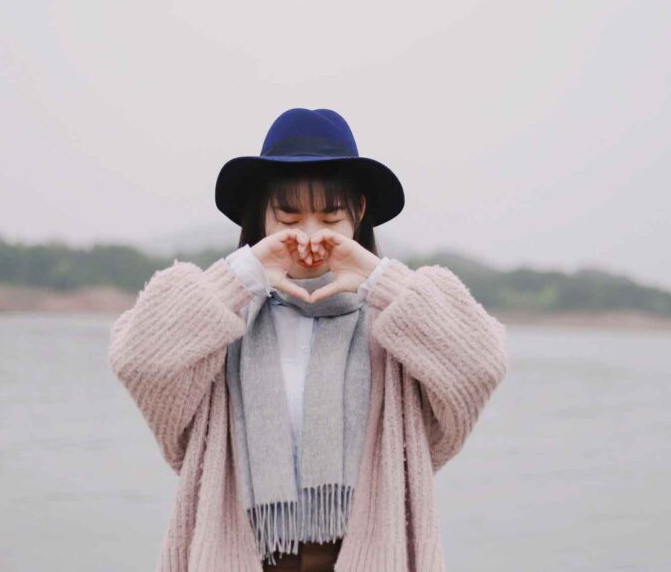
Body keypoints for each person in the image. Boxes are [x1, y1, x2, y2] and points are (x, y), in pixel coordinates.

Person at [108, 108, 510, 571]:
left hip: (366, 554)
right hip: (243, 554)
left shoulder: (394, 325)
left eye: (330, 217)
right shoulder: (224, 318)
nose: (310, 236)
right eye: (289, 217)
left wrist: (380, 279)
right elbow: (137, 358)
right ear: (262, 217)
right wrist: (242, 275)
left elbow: (482, 361)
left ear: (358, 214)